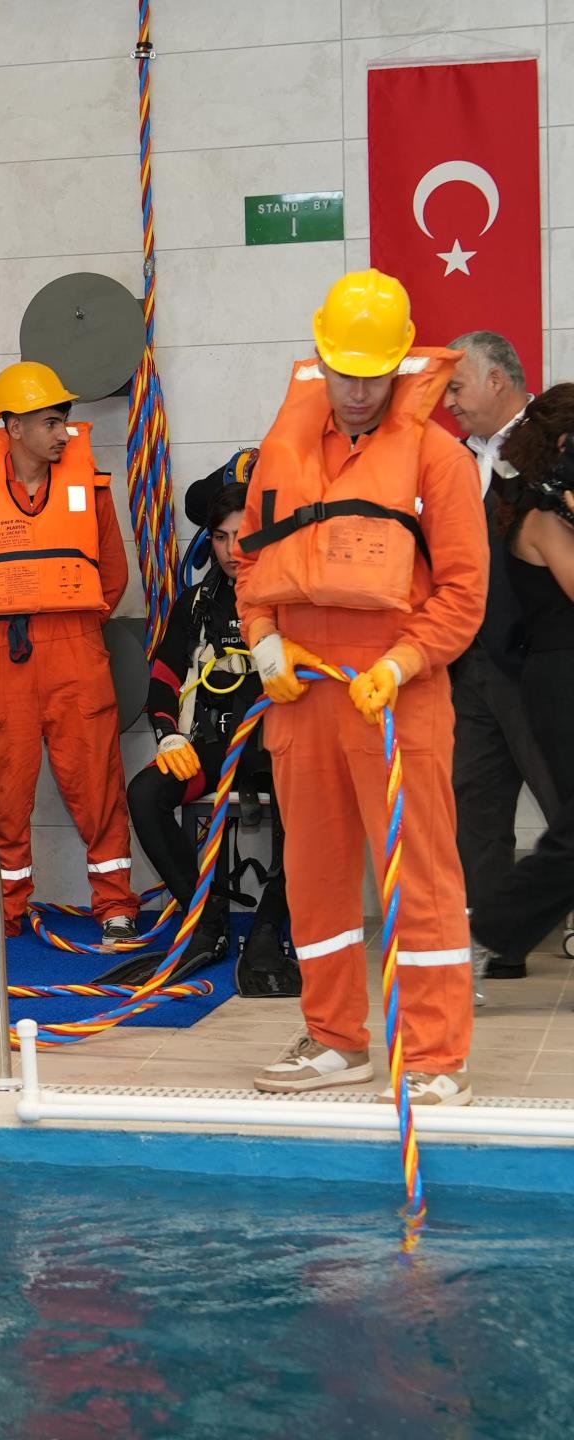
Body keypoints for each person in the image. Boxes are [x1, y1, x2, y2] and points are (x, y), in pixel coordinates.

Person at [237, 271, 486, 1105]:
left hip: (397, 692)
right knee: (313, 874)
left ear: (401, 365)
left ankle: (437, 1055)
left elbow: (464, 596)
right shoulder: (284, 450)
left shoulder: (439, 459)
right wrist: (263, 643)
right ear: (322, 357)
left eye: (372, 375)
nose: (355, 391)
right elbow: (254, 567)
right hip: (301, 692)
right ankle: (337, 1038)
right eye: (343, 371)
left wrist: (400, 665)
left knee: (420, 877)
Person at [0, 361, 140, 942]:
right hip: (0, 651)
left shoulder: (90, 488)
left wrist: (70, 624)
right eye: (51, 422)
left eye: (64, 422)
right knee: (5, 786)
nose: (63, 434)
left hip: (76, 646)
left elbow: (112, 574)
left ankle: (116, 905)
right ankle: (0, 904)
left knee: (97, 780)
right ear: (14, 427)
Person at [118, 468, 295, 996]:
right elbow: (163, 679)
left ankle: (268, 928)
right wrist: (169, 736)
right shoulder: (195, 604)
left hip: (282, 750)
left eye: (243, 535)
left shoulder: (293, 599)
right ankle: (206, 915)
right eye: (221, 537)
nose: (232, 549)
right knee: (145, 793)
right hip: (213, 750)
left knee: (309, 808)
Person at [442, 330, 555, 983]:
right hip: (470, 665)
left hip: (543, 662)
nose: (449, 402)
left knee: (563, 799)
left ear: (496, 379)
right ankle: (495, 940)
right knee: (474, 804)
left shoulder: (554, 443)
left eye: (456, 387)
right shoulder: (453, 459)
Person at [466, 386, 574, 965]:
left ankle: (493, 933)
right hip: (558, 679)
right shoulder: (540, 516)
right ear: (565, 443)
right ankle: (491, 932)